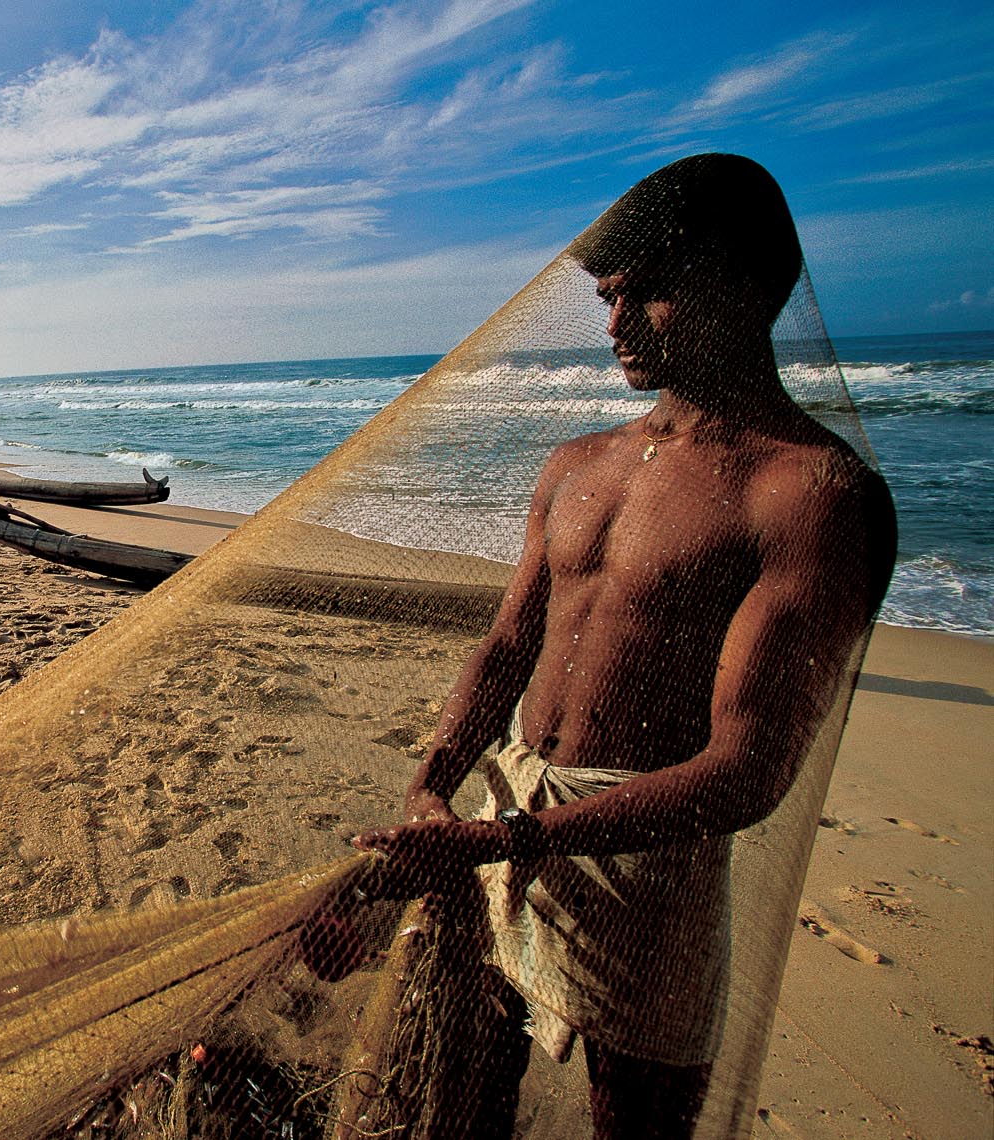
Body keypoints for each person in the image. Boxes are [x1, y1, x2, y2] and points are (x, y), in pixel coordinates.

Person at [351, 154, 897, 1139]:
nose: (611, 324)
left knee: (634, 1121)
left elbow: (744, 773)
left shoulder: (809, 496)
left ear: (741, 286)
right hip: (505, 807)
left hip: (646, 865)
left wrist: (509, 837)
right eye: (607, 296)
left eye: (647, 292)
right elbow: (508, 643)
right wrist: (434, 778)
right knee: (458, 1097)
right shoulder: (577, 464)